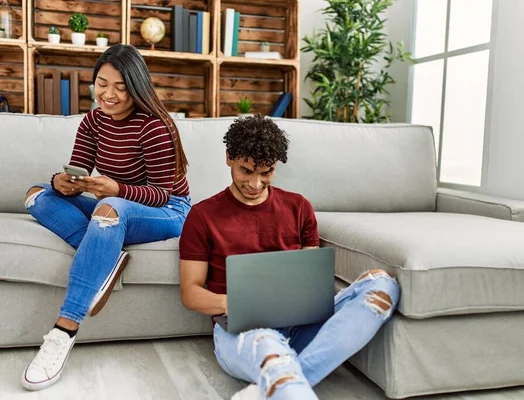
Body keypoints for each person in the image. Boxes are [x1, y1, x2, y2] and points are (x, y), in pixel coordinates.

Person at [178, 115, 400, 400]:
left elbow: (308, 282)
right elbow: (190, 293)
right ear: (229, 158)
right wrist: (229, 302)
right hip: (243, 332)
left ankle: (278, 381)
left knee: (382, 287)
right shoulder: (203, 215)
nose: (256, 183)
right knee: (272, 353)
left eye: (266, 172)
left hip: (300, 325)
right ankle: (280, 374)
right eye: (246, 171)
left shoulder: (299, 207)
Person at [22, 44, 191, 391]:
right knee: (37, 195)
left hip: (169, 210)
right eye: (102, 83)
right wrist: (64, 183)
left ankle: (62, 332)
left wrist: (116, 189)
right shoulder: (92, 121)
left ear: (136, 86)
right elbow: (78, 170)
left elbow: (162, 193)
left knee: (108, 210)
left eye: (120, 86)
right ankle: (106, 251)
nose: (108, 94)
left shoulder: (155, 127)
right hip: (114, 205)